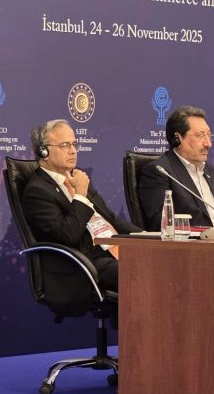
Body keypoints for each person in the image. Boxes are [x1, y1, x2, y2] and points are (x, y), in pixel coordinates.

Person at [22, 119, 137, 291]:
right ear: (43, 151)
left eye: (74, 145)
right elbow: (68, 235)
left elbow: (111, 219)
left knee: (163, 263)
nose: (73, 151)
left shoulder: (77, 177)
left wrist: (146, 235)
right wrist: (80, 194)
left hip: (114, 251)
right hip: (86, 264)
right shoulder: (37, 191)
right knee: (140, 272)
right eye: (65, 145)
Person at [138, 106, 214, 231]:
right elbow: (160, 223)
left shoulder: (211, 173)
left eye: (209, 135)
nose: (208, 144)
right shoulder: (160, 172)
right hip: (196, 241)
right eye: (200, 136)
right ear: (178, 139)